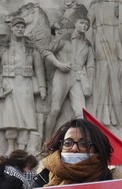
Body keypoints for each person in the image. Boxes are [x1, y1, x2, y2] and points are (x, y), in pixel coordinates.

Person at [0, 17, 47, 154]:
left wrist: (42, 87)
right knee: (10, 116)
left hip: (26, 85)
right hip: (8, 84)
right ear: (12, 28)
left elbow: (39, 68)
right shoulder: (2, 44)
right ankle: (10, 146)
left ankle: (21, 147)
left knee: (26, 117)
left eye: (22, 27)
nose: (20, 29)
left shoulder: (31, 47)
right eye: (17, 27)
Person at [43, 6, 94, 139]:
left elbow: (90, 66)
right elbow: (46, 52)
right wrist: (59, 64)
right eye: (82, 23)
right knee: (55, 110)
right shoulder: (65, 38)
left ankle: (80, 141)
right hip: (62, 75)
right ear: (76, 23)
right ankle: (47, 140)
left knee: (81, 113)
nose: (84, 26)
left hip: (77, 78)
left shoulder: (88, 45)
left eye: (86, 24)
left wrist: (88, 81)